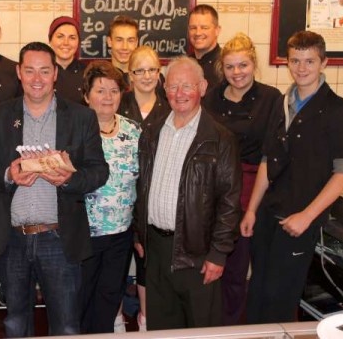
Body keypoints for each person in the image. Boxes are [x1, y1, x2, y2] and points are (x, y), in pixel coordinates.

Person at [0, 42, 109, 337]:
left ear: (55, 73)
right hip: (12, 239)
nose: (37, 79)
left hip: (60, 237)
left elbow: (99, 171)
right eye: (29, 70)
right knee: (16, 323)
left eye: (44, 71)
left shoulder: (81, 117)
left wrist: (68, 179)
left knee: (68, 325)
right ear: (18, 72)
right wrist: (8, 174)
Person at [241, 30, 343, 324]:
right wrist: (252, 209)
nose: (301, 68)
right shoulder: (281, 103)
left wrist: (307, 216)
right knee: (258, 291)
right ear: (288, 62)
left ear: (323, 62)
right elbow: (267, 159)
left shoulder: (338, 110)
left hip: (299, 220)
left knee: (280, 299)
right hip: (267, 215)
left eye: (309, 61)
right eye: (295, 61)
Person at [133, 56, 241, 330]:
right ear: (164, 89)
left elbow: (229, 202)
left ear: (202, 87)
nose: (179, 94)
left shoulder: (220, 139)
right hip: (156, 250)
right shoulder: (152, 131)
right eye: (172, 87)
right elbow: (140, 186)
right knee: (162, 329)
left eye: (186, 86)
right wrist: (139, 234)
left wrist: (218, 253)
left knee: (200, 329)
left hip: (197, 253)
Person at [202, 33, 282, 326]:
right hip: (212, 188)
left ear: (253, 64)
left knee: (237, 265)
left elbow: (269, 155)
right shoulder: (210, 98)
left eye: (243, 65)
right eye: (230, 67)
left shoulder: (271, 98)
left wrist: (251, 209)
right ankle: (207, 324)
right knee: (209, 262)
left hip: (251, 186)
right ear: (221, 69)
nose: (237, 73)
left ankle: (230, 327)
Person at [80, 60, 140, 334]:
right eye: (100, 90)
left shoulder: (134, 131)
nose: (107, 97)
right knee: (81, 300)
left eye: (114, 91)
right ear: (86, 95)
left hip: (121, 234)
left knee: (109, 299)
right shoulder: (75, 130)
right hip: (84, 234)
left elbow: (143, 183)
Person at [117, 45, 171, 331]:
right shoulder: (118, 103)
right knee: (115, 264)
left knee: (148, 262)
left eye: (152, 69)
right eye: (140, 70)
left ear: (159, 73)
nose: (147, 76)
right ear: (130, 74)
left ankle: (146, 320)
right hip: (119, 196)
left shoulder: (170, 105)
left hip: (154, 197)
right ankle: (115, 320)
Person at [48, 16, 87, 103]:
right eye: (60, 36)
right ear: (50, 40)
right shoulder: (41, 72)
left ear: (78, 42)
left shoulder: (88, 72)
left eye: (72, 38)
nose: (66, 43)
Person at [188, 4, 222, 91]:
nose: (198, 33)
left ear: (217, 30)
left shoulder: (227, 65)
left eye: (204, 28)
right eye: (193, 28)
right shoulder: (185, 64)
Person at [107, 15, 139, 85]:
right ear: (109, 42)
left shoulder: (148, 79)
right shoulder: (98, 78)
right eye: (119, 40)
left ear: (136, 43)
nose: (125, 47)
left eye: (130, 40)